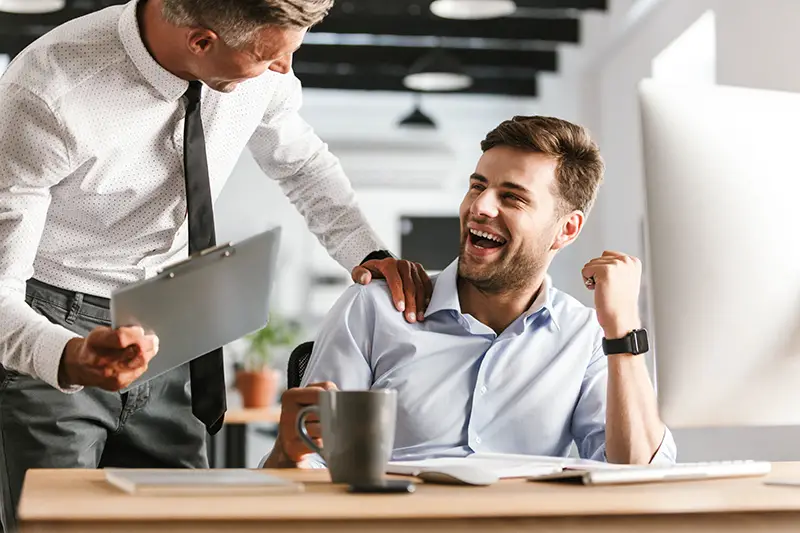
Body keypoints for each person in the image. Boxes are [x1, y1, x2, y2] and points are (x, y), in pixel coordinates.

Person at [0, 0, 430, 529]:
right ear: (201, 41)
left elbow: (302, 161)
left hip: (172, 318)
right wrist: (66, 356)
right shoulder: (47, 92)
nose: (284, 70)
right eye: (268, 57)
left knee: (185, 521)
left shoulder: (261, 62)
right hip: (52, 320)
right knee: (59, 523)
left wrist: (368, 252)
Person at [266, 115, 677, 469]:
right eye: (477, 186)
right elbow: (307, 463)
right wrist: (289, 451)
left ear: (566, 229)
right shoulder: (375, 308)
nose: (480, 206)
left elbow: (636, 476)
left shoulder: (586, 336)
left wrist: (623, 331)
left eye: (511, 197)